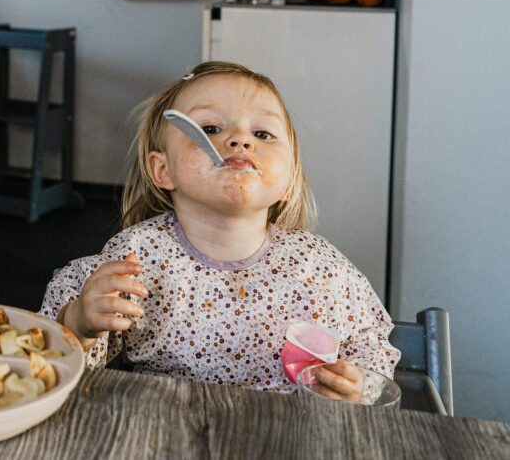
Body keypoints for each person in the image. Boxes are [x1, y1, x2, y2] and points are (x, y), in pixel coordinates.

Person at [40, 61, 400, 398]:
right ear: (163, 171)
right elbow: (53, 359)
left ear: (289, 180)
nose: (241, 140)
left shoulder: (320, 267)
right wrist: (80, 323)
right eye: (210, 129)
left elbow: (371, 344)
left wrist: (358, 385)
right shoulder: (139, 253)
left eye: (262, 133)